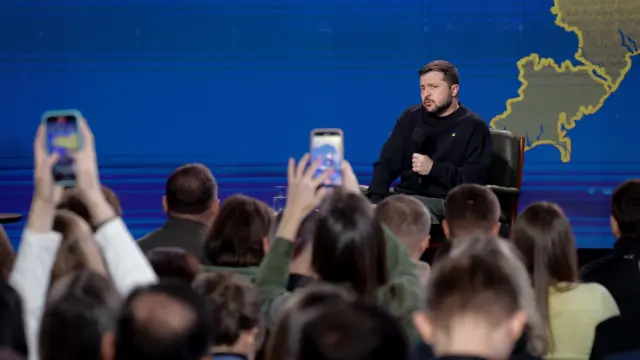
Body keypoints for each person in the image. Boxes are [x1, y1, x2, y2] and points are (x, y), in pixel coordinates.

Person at [368, 60, 493, 222]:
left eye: (433, 87)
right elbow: (386, 163)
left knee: (401, 210)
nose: (426, 94)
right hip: (406, 198)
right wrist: (375, 201)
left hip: (448, 204)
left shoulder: (473, 126)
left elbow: (474, 183)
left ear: (454, 89)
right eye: (422, 88)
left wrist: (434, 169)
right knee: (355, 206)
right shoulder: (410, 117)